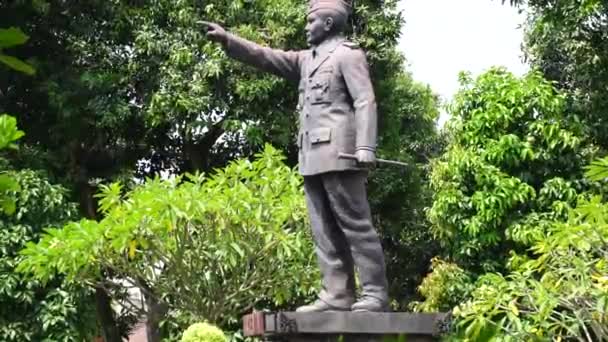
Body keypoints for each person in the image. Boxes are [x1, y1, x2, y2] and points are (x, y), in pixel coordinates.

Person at [202, 0, 389, 312]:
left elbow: (365, 100)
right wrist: (228, 39)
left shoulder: (347, 54)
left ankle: (374, 293)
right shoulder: (306, 60)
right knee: (323, 230)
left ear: (327, 23)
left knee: (355, 225)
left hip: (342, 154)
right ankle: (337, 294)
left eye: (310, 21)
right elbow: (267, 56)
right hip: (311, 155)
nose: (306, 27)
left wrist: (365, 146)